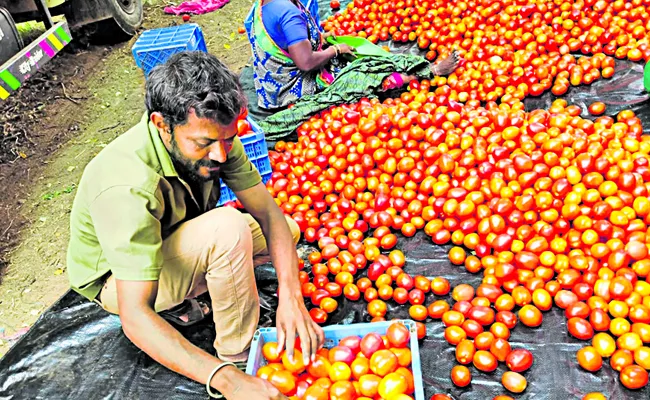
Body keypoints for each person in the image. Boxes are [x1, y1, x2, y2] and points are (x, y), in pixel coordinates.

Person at [66, 51, 321, 399]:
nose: (220, 154)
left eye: (227, 140)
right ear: (161, 124)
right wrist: (227, 379)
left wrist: (293, 298)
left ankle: (204, 291)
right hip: (117, 281)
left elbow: (271, 216)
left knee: (286, 230)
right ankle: (239, 357)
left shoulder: (214, 137)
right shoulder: (126, 186)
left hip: (173, 240)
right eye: (204, 144)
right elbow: (134, 315)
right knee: (227, 230)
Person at [249, 0, 459, 110]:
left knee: (358, 59)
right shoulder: (287, 12)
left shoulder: (269, 3)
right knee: (363, 78)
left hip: (270, 84)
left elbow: (287, 39)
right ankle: (428, 72)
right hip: (292, 87)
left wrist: (321, 37)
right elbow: (305, 62)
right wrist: (335, 49)